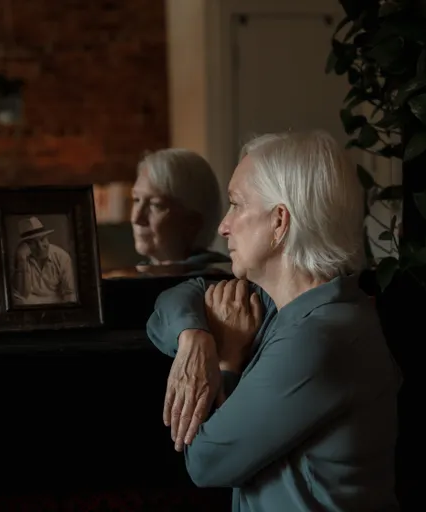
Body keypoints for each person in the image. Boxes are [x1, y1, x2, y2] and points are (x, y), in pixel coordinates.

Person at [146, 131, 402, 511]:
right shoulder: (274, 303)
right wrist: (194, 338)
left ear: (280, 222)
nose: (223, 226)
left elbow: (206, 463)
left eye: (236, 204)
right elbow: (173, 301)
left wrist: (226, 361)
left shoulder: (319, 337)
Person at [131, 148, 230, 270]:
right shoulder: (140, 274)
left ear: (193, 221)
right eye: (136, 199)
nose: (136, 218)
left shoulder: (214, 278)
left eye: (156, 205)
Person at [12, 216, 76, 305]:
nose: (40, 247)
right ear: (25, 246)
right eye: (33, 243)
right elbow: (22, 294)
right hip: (31, 305)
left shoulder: (62, 257)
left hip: (57, 304)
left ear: (47, 238)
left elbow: (69, 293)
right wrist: (22, 261)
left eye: (42, 239)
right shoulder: (22, 258)